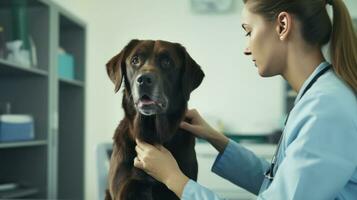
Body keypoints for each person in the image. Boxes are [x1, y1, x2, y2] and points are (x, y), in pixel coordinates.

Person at [133, 0, 357, 199]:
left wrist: (174, 179)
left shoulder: (326, 109)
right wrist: (216, 138)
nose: (246, 49)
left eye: (248, 32)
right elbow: (278, 185)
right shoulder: (318, 97)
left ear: (282, 26)